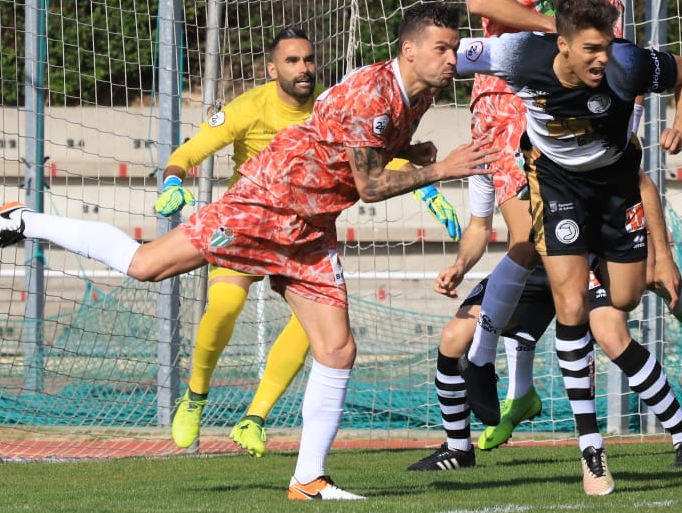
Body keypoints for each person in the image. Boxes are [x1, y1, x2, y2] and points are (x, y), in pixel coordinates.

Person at [0, 2, 498, 500]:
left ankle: (309, 480)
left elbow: (359, 143)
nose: (453, 59)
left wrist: (409, 150)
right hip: (267, 203)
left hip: (310, 225)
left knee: (337, 350)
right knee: (146, 265)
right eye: (442, 49)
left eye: (454, 49)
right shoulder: (371, 92)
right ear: (409, 50)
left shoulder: (421, 92)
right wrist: (441, 169)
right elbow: (369, 187)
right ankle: (24, 220)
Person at [456, 0, 682, 425]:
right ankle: (483, 359)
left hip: (569, 123)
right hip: (509, 99)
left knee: (583, 278)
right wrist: (548, 31)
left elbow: (610, 57)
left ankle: (507, 366)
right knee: (529, 240)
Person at [161, 28, 462, 456]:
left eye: (308, 59)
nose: (304, 69)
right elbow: (194, 148)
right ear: (272, 69)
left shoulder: (332, 100)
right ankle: (195, 396)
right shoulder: (251, 106)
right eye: (292, 61)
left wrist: (425, 189)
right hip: (252, 219)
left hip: (305, 229)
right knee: (225, 306)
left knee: (314, 327)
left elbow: (368, 148)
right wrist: (173, 178)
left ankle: (254, 418)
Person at [454, 0, 682, 495]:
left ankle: (657, 283)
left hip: (616, 186)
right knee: (572, 308)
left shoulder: (628, 64)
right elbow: (442, 56)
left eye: (606, 45)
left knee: (622, 301)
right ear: (561, 43)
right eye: (591, 48)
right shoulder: (519, 52)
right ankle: (591, 451)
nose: (602, 57)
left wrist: (681, 124)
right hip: (557, 184)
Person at [406, 258, 682, 472]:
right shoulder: (490, 168)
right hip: (531, 262)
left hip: (581, 252)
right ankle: (458, 448)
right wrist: (461, 263)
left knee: (612, 336)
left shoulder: (562, 166)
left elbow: (641, 185)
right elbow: (482, 226)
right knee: (453, 337)